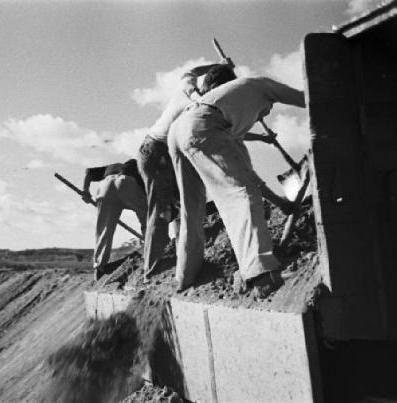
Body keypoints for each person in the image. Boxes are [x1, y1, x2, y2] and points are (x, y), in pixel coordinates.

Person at [167, 71, 305, 297]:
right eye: (268, 109)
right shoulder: (261, 85)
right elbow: (305, 98)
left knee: (192, 209)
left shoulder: (233, 116)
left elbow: (248, 174)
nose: (266, 114)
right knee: (242, 195)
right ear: (270, 100)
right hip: (200, 124)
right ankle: (261, 275)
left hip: (178, 130)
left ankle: (184, 276)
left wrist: (279, 202)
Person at [136, 60, 236, 281]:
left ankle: (184, 256)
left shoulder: (187, 87)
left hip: (157, 151)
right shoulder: (200, 106)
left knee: (181, 203)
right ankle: (151, 270)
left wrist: (219, 64)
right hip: (157, 153)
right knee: (160, 211)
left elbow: (189, 71)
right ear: (216, 88)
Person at [82, 159, 147, 280]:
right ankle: (152, 251)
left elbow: (89, 172)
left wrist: (85, 191)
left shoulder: (112, 166)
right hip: (126, 183)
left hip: (105, 185)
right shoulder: (139, 167)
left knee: (104, 228)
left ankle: (99, 267)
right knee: (148, 217)